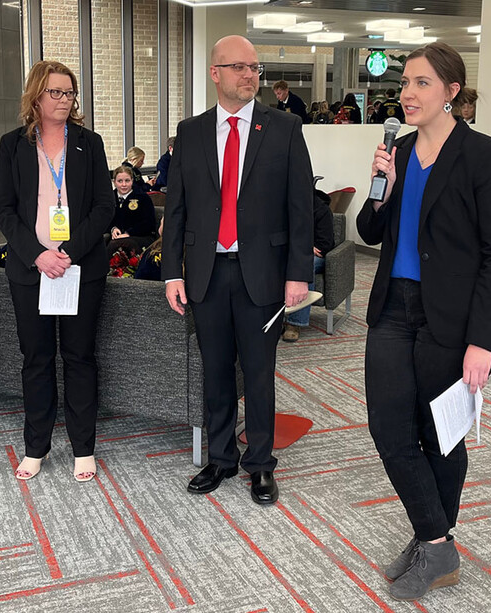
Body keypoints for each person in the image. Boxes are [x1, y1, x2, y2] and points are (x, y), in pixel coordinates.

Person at [357, 42, 491, 601]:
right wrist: (381, 192)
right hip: (393, 309)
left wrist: (483, 341)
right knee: (388, 428)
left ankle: (433, 540)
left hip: (450, 318)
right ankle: (436, 538)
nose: (408, 93)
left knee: (439, 435)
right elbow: (371, 232)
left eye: (422, 83)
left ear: (452, 93)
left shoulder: (485, 156)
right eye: (405, 82)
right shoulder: (397, 151)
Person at [163, 35, 313, 506]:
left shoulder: (284, 127)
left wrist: (298, 274)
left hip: (262, 273)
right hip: (206, 272)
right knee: (215, 372)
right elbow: (178, 207)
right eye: (239, 68)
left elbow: (300, 208)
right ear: (216, 74)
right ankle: (221, 458)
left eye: (255, 68)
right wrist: (172, 272)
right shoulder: (190, 132)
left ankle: (260, 464)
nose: (250, 76)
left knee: (260, 371)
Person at [0, 60, 114, 483]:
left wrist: (67, 251)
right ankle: (35, 447)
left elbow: (105, 206)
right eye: (55, 93)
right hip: (31, 270)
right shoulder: (12, 145)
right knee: (36, 359)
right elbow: (4, 211)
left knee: (80, 357)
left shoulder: (89, 142)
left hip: (80, 268)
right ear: (36, 96)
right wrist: (37, 255)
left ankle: (84, 447)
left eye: (69, 93)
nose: (64, 100)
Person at [282, 188, 335, 342]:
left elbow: (325, 244)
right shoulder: (287, 208)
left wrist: (303, 247)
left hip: (317, 257)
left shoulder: (322, 210)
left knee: (305, 265)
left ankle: (295, 323)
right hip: (292, 253)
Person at [107, 165, 158, 254]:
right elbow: (104, 219)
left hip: (141, 237)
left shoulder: (142, 197)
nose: (124, 184)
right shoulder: (109, 198)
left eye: (127, 181)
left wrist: (128, 233)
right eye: (120, 181)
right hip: (116, 238)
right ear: (114, 182)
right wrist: (113, 229)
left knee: (122, 243)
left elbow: (149, 223)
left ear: (132, 181)